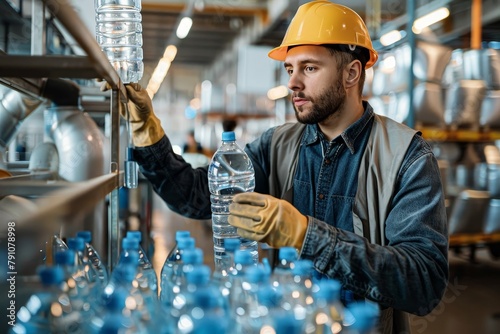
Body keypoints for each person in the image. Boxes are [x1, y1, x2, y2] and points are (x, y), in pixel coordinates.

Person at [116, 1, 448, 333]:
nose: (292, 83)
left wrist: (307, 235)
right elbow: (199, 197)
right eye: (290, 69)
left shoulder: (406, 155)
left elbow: (423, 282)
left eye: (310, 68)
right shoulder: (276, 146)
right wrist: (149, 135)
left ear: (352, 72)